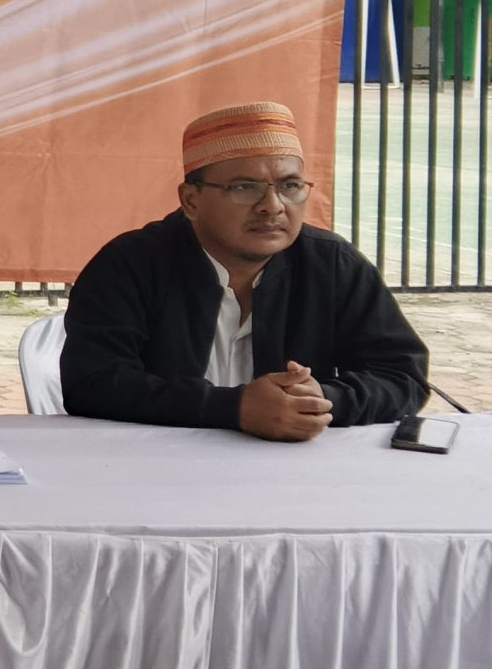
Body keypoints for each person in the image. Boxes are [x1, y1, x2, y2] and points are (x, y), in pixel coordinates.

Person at [61, 102, 427, 437]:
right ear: (191, 201)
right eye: (244, 187)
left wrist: (322, 399)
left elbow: (401, 375)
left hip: (294, 471)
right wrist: (233, 408)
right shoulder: (130, 265)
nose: (273, 206)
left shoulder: (332, 264)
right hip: (155, 466)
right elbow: (92, 383)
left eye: (290, 186)